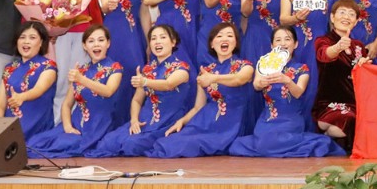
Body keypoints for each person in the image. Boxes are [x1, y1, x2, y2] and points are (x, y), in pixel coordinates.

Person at [229, 26, 340, 157]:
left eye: (287, 39)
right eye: (278, 40)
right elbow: (256, 86)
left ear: (295, 44)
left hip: (290, 120)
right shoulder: (264, 65)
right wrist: (261, 83)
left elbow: (298, 93)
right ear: (272, 45)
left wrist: (287, 81)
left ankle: (307, 143)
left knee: (271, 143)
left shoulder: (302, 69)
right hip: (268, 119)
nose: (282, 43)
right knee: (247, 144)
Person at [147, 23, 255, 158]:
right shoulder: (206, 71)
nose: (224, 39)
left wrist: (214, 78)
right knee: (166, 142)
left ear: (236, 42)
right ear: (211, 44)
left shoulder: (245, 66)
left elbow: (238, 79)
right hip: (204, 121)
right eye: (219, 36)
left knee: (179, 146)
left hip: (229, 125)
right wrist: (182, 121)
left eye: (229, 36)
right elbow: (198, 107)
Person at [89, 24, 192, 157]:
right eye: (153, 38)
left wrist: (144, 82)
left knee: (131, 145)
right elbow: (137, 100)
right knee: (107, 142)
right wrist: (134, 120)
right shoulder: (148, 69)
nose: (157, 42)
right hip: (144, 121)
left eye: (162, 37)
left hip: (166, 122)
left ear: (173, 42)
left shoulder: (181, 67)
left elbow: (168, 84)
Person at [29, 24, 125, 158]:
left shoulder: (115, 68)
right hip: (75, 125)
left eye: (101, 40)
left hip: (97, 127)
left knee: (64, 144)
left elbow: (108, 91)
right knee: (35, 142)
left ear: (108, 43)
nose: (96, 44)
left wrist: (82, 79)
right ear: (84, 46)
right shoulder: (81, 70)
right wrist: (68, 127)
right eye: (91, 41)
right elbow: (67, 105)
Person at [44, 0, 101, 116]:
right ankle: (59, 121)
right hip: (60, 33)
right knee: (62, 78)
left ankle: (78, 119)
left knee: (81, 77)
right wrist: (49, 27)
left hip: (86, 31)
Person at [279, 0, 331, 128]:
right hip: (296, 45)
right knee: (293, 84)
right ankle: (292, 127)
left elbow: (335, 20)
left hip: (320, 46)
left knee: (316, 87)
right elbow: (283, 18)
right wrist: (295, 18)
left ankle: (313, 129)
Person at [95, 0, 148, 108]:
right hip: (114, 31)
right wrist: (108, 5)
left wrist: (148, 40)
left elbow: (144, 12)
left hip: (136, 34)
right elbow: (104, 5)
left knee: (136, 69)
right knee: (113, 71)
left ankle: (133, 115)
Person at [0, 21, 58, 142]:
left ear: (41, 42)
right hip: (11, 131)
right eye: (22, 37)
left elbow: (38, 90)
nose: (26, 41)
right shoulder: (9, 68)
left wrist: (22, 97)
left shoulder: (48, 67)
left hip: (38, 133)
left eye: (32, 38)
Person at [313, 0, 368, 140]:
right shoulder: (323, 40)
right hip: (329, 103)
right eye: (342, 12)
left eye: (351, 14)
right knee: (349, 120)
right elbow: (324, 54)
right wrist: (338, 47)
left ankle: (325, 137)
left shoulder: (359, 46)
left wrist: (365, 66)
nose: (346, 17)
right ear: (332, 17)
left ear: (356, 22)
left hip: (353, 103)